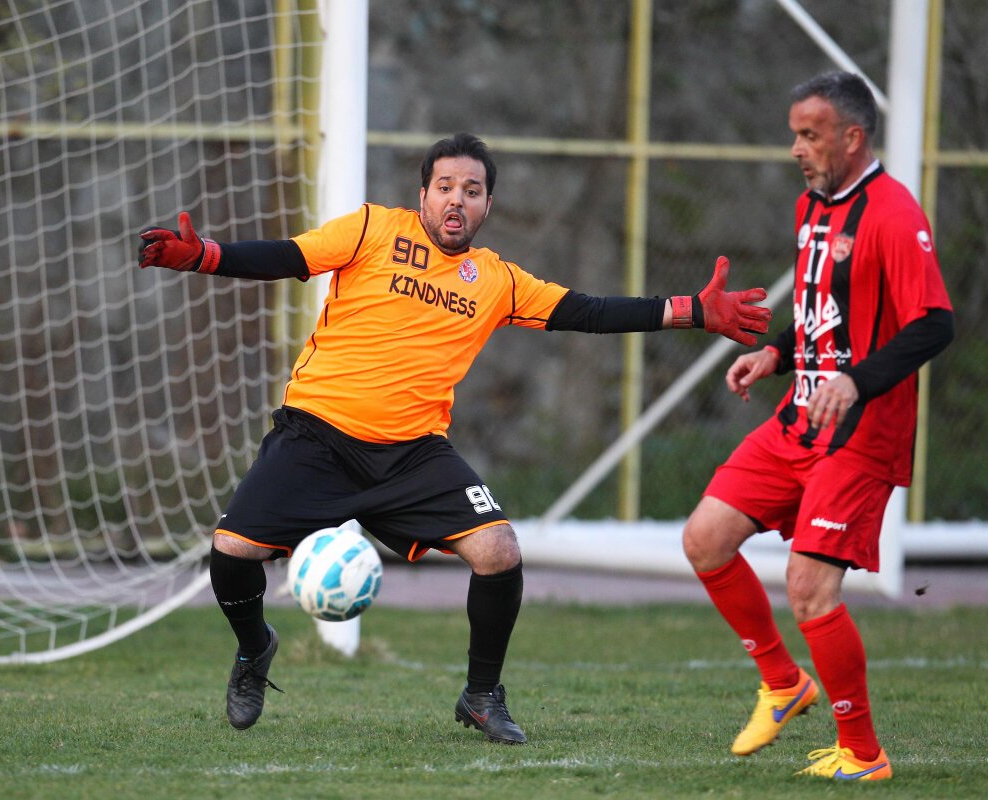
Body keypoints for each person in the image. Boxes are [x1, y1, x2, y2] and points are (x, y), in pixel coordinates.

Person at [139, 133, 771, 743]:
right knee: (230, 553)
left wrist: (692, 309)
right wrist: (206, 256)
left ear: (487, 206)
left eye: (471, 190)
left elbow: (589, 311)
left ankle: (481, 696)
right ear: (422, 195)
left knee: (499, 551)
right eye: (444, 186)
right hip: (317, 436)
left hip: (412, 453)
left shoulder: (496, 280)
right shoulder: (371, 229)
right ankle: (254, 649)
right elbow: (288, 257)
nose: (456, 199)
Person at [681, 72, 954, 780]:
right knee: (705, 539)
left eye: (810, 135)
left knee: (809, 588)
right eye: (795, 134)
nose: (797, 148)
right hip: (800, 419)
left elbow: (934, 323)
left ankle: (863, 754)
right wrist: (775, 355)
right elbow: (821, 314)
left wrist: (857, 380)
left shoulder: (893, 213)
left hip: (862, 433)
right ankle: (783, 683)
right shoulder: (812, 206)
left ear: (852, 137)